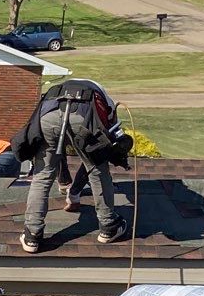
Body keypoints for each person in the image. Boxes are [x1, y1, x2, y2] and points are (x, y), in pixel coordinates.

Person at [13, 78, 128, 254]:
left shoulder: (60, 88)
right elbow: (105, 144)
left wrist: (69, 189)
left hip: (48, 117)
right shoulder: (105, 98)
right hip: (82, 117)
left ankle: (32, 235)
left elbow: (58, 153)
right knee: (97, 169)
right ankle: (109, 226)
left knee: (42, 175)